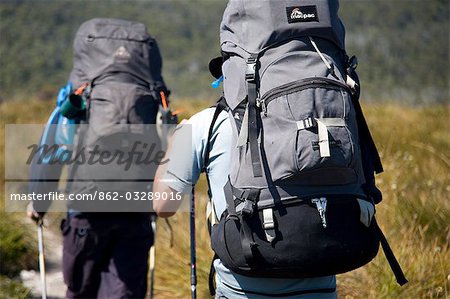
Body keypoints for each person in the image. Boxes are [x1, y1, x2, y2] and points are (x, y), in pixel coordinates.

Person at [153, 107, 338, 298]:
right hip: (320, 283)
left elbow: (163, 205)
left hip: (240, 289)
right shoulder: (324, 117)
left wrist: (175, 141)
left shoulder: (208, 121)